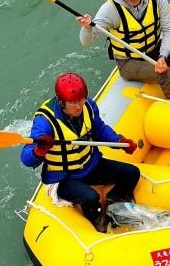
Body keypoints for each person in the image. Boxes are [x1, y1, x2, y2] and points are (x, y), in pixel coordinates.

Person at [20, 73, 141, 232]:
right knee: (91, 197)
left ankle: (114, 201)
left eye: (81, 100)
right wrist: (39, 149)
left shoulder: (88, 106)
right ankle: (97, 221)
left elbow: (100, 129)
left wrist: (118, 141)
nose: (78, 106)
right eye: (73, 102)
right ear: (62, 102)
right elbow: (26, 158)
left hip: (90, 165)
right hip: (64, 177)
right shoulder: (45, 121)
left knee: (132, 173)